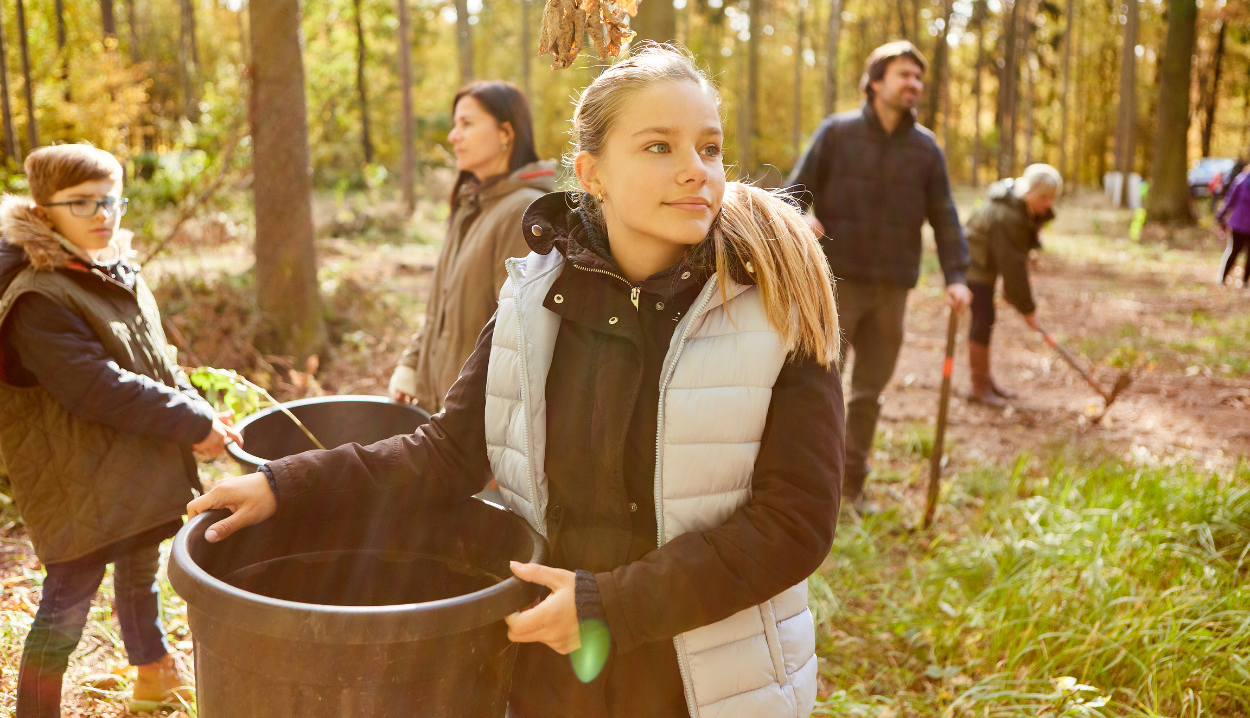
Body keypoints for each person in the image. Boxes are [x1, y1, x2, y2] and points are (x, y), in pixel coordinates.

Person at [188, 45, 845, 718]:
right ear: (593, 173)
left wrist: (607, 606)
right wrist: (284, 486)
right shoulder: (530, 303)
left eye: (709, 148)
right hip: (551, 680)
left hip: (708, 686)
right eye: (658, 147)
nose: (696, 172)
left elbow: (794, 522)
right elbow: (444, 456)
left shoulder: (778, 305)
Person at [0, 144, 243, 717]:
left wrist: (199, 408)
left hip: (131, 461)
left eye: (110, 199)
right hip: (75, 477)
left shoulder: (107, 269)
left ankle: (154, 675)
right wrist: (189, 421)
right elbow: (96, 385)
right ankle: (36, 711)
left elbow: (155, 361)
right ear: (43, 208)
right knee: (66, 606)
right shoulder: (38, 295)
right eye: (81, 202)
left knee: (141, 572)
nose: (102, 214)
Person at [786, 40, 970, 509]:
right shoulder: (837, 133)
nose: (915, 85)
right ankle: (809, 485)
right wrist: (798, 220)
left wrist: (956, 276)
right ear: (875, 81)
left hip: (892, 288)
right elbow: (789, 195)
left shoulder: (926, 149)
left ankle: (852, 485)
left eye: (918, 78)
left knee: (869, 392)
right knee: (819, 386)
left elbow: (945, 215)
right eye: (905, 74)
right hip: (835, 284)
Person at [389, 81, 556, 412]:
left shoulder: (522, 212)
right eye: (455, 125)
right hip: (442, 413)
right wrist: (411, 365)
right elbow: (443, 306)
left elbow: (516, 334)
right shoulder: (470, 204)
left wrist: (461, 418)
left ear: (506, 133)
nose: (453, 136)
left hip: (477, 424)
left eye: (466, 124)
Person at [963, 164, 1062, 406]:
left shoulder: (1021, 208)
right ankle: (979, 386)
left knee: (986, 319)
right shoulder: (1007, 216)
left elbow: (1013, 257)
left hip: (987, 261)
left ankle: (986, 382)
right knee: (983, 318)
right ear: (1028, 193)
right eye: (1044, 198)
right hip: (971, 263)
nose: (1049, 204)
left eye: (1052, 198)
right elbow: (1013, 267)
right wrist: (1028, 309)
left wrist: (1014, 292)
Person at [1217, 161, 1250, 287]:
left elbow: (1230, 200)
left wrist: (1220, 216)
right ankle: (1245, 281)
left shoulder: (1241, 180)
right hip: (1240, 224)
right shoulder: (1241, 180)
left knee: (1233, 250)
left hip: (1238, 223)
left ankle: (1223, 278)